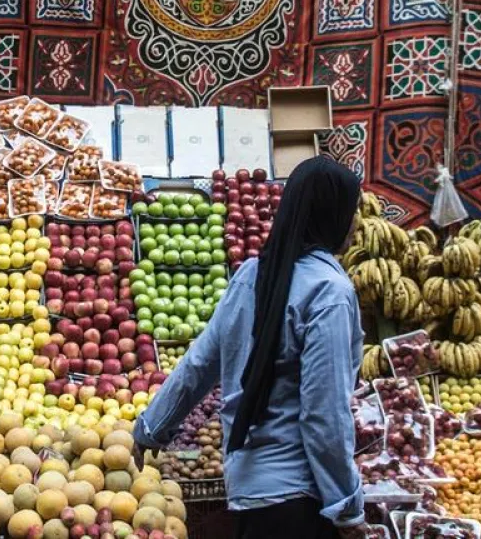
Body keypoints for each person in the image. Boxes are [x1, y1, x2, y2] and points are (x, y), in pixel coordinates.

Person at [132, 157, 367, 539]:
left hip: (245, 488)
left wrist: (150, 428)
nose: (356, 223)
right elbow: (324, 413)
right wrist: (347, 506)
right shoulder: (330, 292)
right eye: (352, 211)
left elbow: (199, 363)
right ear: (333, 215)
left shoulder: (250, 274)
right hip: (300, 495)